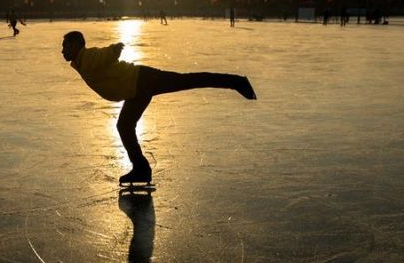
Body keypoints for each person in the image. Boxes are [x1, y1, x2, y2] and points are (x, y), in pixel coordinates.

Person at [62, 31, 257, 184]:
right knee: (124, 126)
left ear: (76, 45)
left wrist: (114, 50)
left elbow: (102, 56)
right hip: (134, 90)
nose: (62, 51)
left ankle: (237, 82)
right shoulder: (82, 61)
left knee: (187, 80)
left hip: (142, 81)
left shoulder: (87, 58)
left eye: (65, 46)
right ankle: (141, 169)